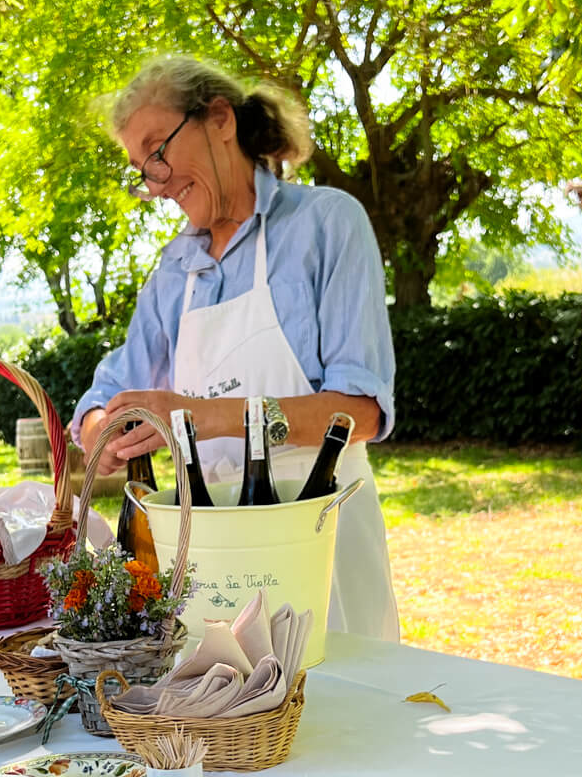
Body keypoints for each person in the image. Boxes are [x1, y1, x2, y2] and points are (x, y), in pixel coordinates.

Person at [74, 56, 400, 640]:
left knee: (341, 715)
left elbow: (361, 413)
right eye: (141, 169)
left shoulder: (326, 225)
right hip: (213, 552)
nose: (156, 181)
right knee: (227, 718)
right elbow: (101, 399)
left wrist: (205, 418)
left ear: (220, 119)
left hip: (321, 528)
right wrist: (106, 428)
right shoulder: (175, 271)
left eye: (157, 151)